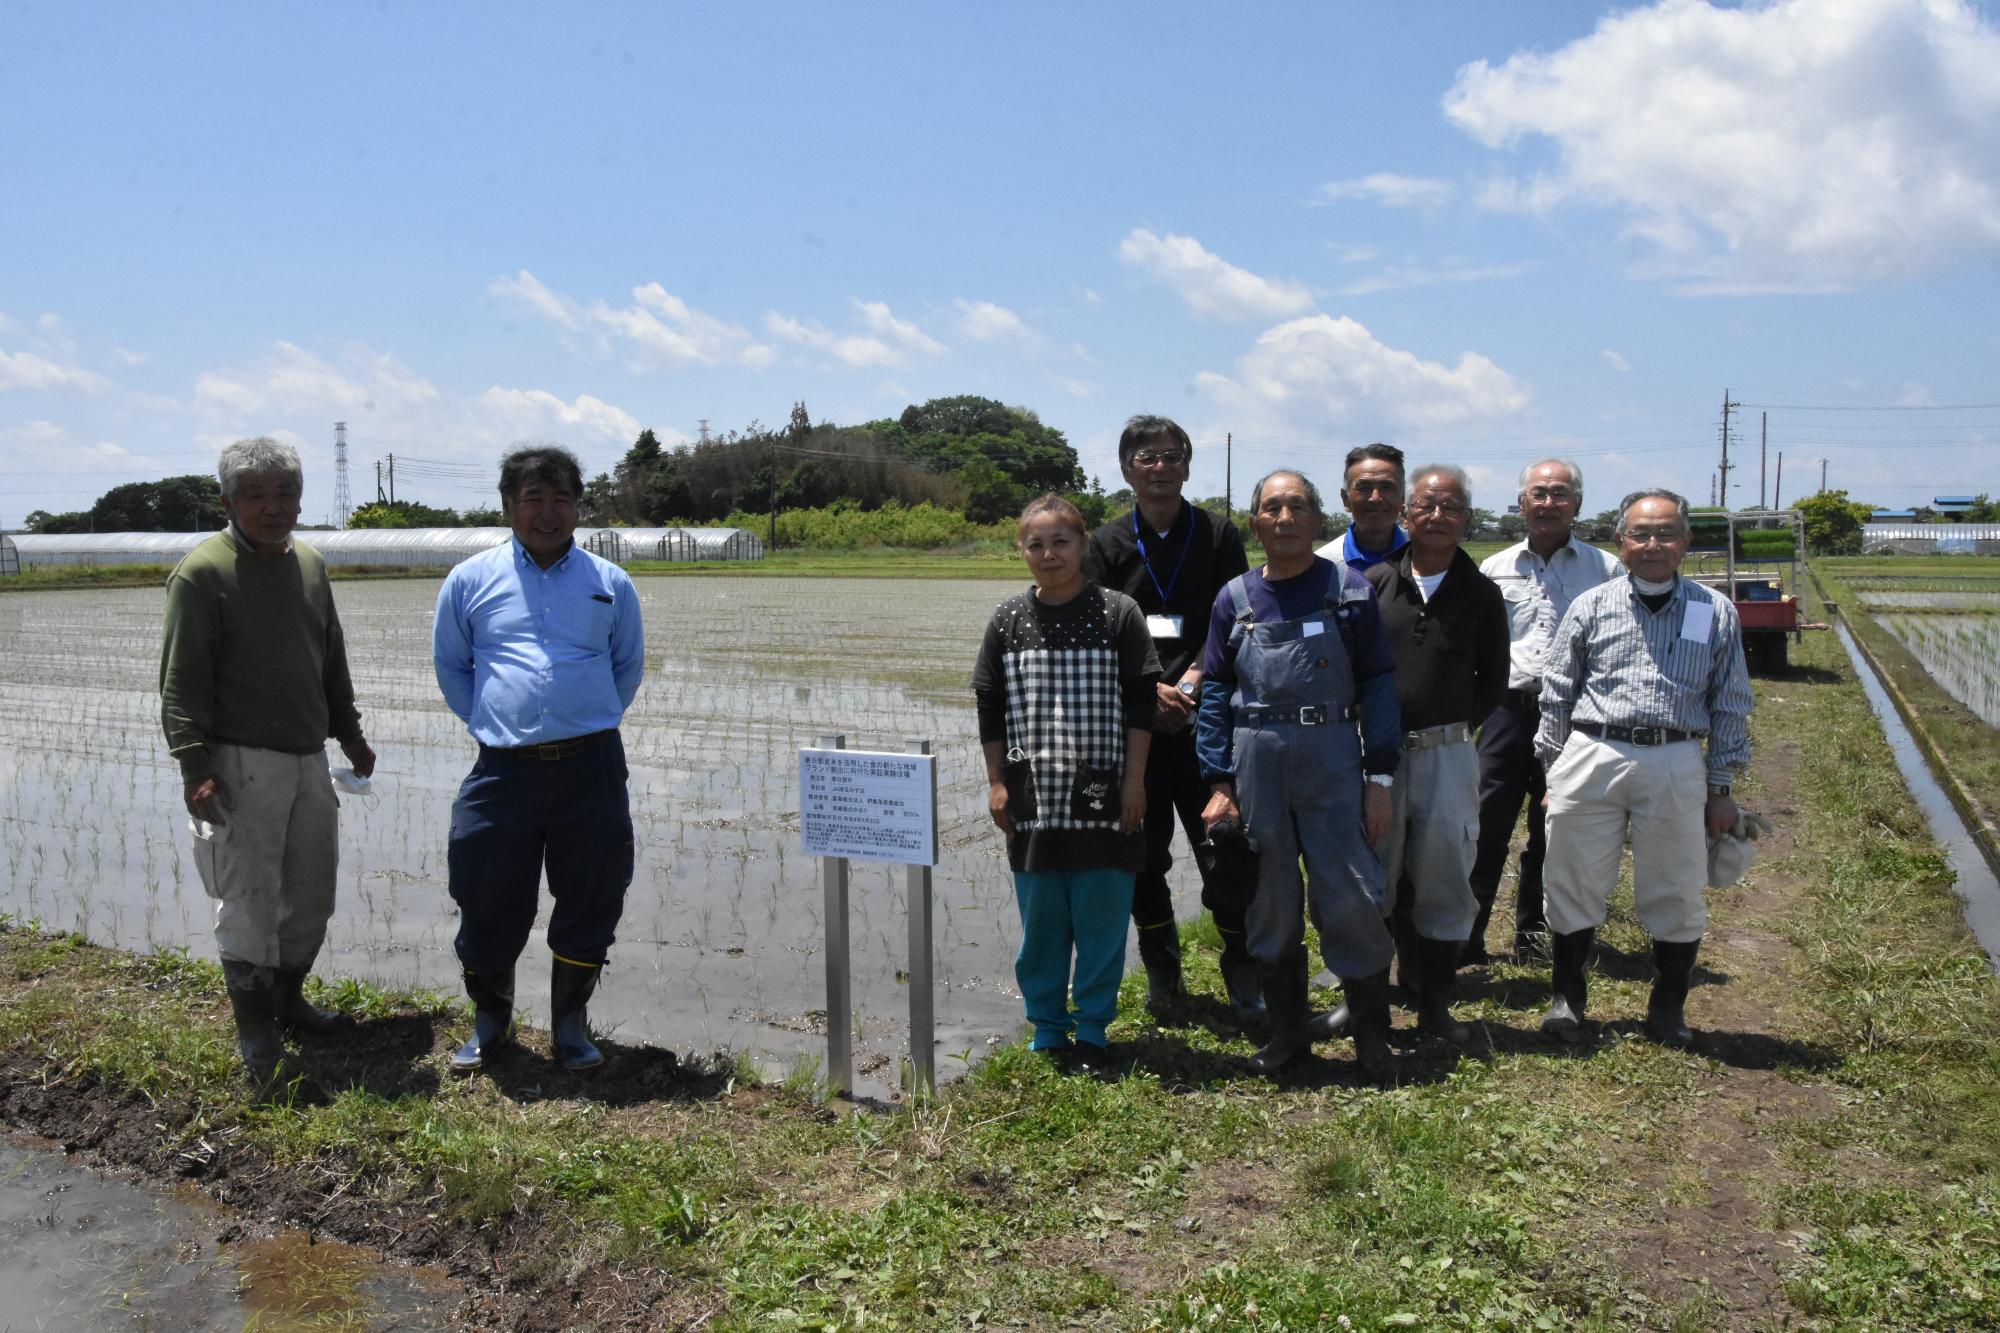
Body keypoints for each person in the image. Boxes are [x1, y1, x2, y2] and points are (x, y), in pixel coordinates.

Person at [160, 437, 376, 1083]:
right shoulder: (202, 574)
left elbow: (329, 660)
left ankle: (287, 1002)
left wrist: (351, 733)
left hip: (309, 757)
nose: (272, 506)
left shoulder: (310, 564)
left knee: (312, 894)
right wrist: (195, 767)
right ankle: (256, 1036)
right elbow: (180, 683)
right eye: (254, 494)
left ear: (301, 498)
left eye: (285, 493)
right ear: (226, 501)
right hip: (239, 761)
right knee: (249, 901)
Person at [433, 445, 644, 1073]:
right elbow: (453, 667)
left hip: (592, 767)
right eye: (533, 499)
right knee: (485, 888)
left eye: (561, 499)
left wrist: (581, 719)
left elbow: (626, 668)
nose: (547, 513)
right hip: (503, 771)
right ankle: (490, 1022)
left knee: (592, 892)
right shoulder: (470, 580)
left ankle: (570, 1026)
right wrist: (498, 723)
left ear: (578, 508)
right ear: (508, 506)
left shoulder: (610, 583)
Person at [1198, 470, 1401, 1084]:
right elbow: (1214, 692)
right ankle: (1289, 1037)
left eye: (1297, 507)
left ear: (1318, 519)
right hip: (1256, 757)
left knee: (1352, 893)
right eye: (1271, 508)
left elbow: (1378, 686)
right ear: (1254, 522)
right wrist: (1218, 782)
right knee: (1267, 897)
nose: (1284, 518)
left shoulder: (1350, 589)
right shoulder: (1233, 599)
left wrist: (1380, 777)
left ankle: (1372, 1040)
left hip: (1334, 753)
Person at [1536, 489, 1755, 1047]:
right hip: (1592, 752)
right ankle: (1567, 997)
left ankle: (1667, 1005)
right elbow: (1557, 692)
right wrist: (1551, 769)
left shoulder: (1713, 610)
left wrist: (1722, 786)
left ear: (1686, 541)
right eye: (1640, 533)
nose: (1652, 544)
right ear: (1620, 541)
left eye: (1665, 533)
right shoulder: (1591, 606)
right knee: (1572, 877)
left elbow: (1731, 701)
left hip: (1676, 756)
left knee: (1677, 885)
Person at [974, 494, 1158, 1074]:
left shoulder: (1118, 612)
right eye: (1036, 544)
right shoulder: (1008, 620)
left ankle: (1095, 1028)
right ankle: (1049, 1027)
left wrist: (1135, 782)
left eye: (1061, 542)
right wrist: (997, 783)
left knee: (1102, 916)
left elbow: (1141, 703)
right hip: (1034, 797)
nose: (1048, 554)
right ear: (1021, 550)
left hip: (1106, 790)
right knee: (1043, 922)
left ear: (1082, 546)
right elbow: (990, 704)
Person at [1085, 415, 1258, 1018]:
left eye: (1171, 456)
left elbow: (1239, 615)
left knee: (1227, 846)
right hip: (1138, 726)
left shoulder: (1216, 534)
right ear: (1127, 467)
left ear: (1187, 464)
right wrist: (1148, 690)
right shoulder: (1104, 544)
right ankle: (1163, 971)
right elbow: (1095, 631)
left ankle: (1242, 968)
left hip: (1208, 717)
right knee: (1141, 855)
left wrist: (1192, 679)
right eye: (1147, 457)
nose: (1160, 467)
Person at [1361, 465, 1508, 1042]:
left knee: (1446, 879)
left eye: (1451, 506)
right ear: (1405, 515)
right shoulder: (1372, 585)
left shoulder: (1482, 594)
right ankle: (1366, 1004)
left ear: (1467, 519)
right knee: (1374, 879)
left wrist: (1449, 727)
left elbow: (1493, 682)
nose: (1438, 515)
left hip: (1448, 755)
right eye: (1426, 504)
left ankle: (1435, 1008)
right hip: (1379, 760)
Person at [1471, 459, 1618, 962]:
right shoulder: (1494, 568)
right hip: (1506, 712)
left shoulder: (1605, 570)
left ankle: (1533, 941)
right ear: (1521, 503)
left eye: (1560, 494)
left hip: (1577, 717)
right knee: (1485, 824)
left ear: (1577, 504)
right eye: (1539, 494)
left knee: (1555, 828)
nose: (1549, 503)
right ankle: (1465, 939)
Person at [1317, 443, 1408, 571]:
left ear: (1403, 498)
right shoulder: (1323, 565)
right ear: (1345, 499)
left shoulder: (1426, 556)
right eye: (1364, 488)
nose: (1375, 498)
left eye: (1386, 487)